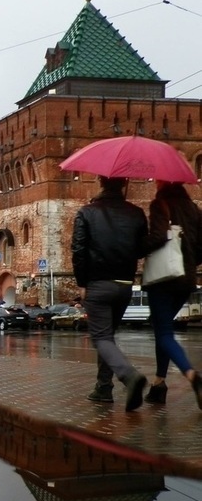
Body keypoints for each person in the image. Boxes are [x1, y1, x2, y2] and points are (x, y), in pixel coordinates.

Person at [71, 176, 149, 411]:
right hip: (125, 284)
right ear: (124, 184)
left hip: (98, 284)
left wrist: (82, 283)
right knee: (108, 338)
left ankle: (129, 376)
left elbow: (78, 250)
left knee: (101, 338)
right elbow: (141, 249)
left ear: (100, 181)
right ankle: (103, 388)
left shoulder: (86, 213)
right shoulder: (136, 213)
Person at [143, 181, 202, 408]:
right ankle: (159, 385)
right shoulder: (195, 210)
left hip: (162, 280)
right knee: (162, 329)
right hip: (186, 280)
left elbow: (158, 237)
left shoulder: (161, 204)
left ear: (163, 183)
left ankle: (192, 375)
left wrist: (138, 247)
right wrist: (186, 263)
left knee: (164, 333)